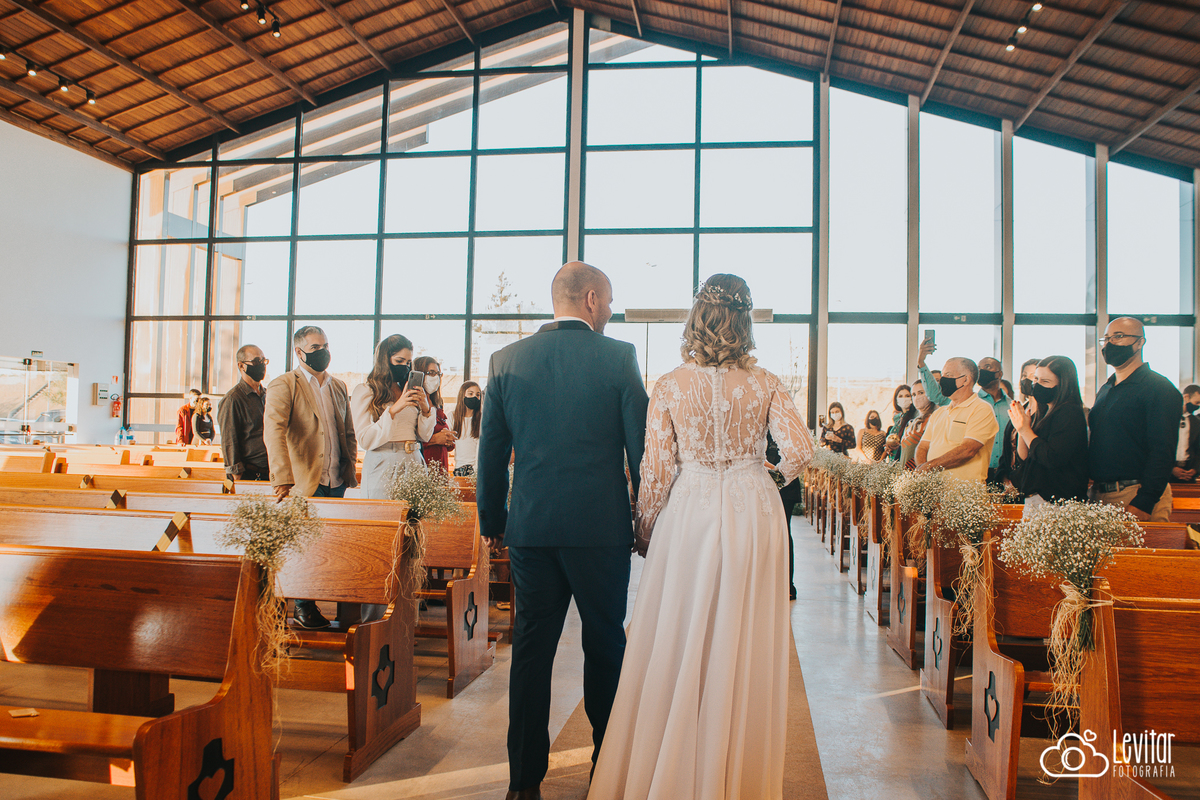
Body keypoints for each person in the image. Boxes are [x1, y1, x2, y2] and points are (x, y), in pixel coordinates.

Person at [589, 274, 813, 800]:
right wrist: (764, 477)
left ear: (698, 319)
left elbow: (657, 470)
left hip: (689, 510)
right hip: (752, 511)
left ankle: (675, 762)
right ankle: (735, 770)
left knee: (680, 629)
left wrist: (645, 530)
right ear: (744, 321)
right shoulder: (767, 384)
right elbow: (801, 451)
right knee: (743, 632)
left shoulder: (669, 385)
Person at [477, 261, 649, 800]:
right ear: (592, 299)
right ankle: (607, 767)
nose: (611, 311)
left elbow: (490, 455)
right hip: (600, 530)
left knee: (531, 651)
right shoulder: (619, 358)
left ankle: (522, 783)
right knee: (605, 647)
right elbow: (641, 451)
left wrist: (493, 522)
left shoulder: (506, 361)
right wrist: (646, 520)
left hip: (531, 530)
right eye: (611, 301)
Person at [264, 325, 359, 630]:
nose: (323, 352)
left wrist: (350, 467)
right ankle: (304, 606)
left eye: (325, 345)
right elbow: (274, 431)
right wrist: (282, 476)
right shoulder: (284, 384)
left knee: (329, 545)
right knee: (304, 546)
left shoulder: (337, 386)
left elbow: (347, 429)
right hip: (305, 480)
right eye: (316, 347)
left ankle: (321, 599)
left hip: (335, 478)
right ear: (299, 351)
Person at [1088, 318, 1182, 522]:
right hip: (1100, 494)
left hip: (1134, 494)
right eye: (1106, 338)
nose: (1110, 343)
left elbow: (1162, 451)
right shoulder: (1106, 388)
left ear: (1140, 342)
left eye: (1119, 336)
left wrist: (1145, 501)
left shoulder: (1159, 388)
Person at [350, 335, 435, 500]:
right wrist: (394, 409)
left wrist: (425, 409)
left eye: (408, 363)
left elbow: (424, 436)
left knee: (414, 520)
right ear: (385, 360)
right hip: (383, 463)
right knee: (383, 519)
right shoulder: (367, 391)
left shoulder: (407, 389)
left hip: (413, 460)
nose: (404, 366)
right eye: (399, 361)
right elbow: (365, 440)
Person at [1007, 356, 1089, 515]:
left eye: (1045, 382)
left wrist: (1025, 430)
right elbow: (1025, 457)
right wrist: (1022, 425)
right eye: (1035, 379)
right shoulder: (1044, 412)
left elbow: (1051, 457)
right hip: (1037, 499)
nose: (1036, 385)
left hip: (1058, 502)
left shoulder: (1069, 412)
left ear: (1062, 385)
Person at [921, 347, 1010, 484]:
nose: (944, 380)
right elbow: (923, 447)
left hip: (964, 495)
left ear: (966, 380)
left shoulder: (981, 409)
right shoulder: (939, 413)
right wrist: (922, 474)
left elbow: (968, 450)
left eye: (949, 375)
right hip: (935, 491)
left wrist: (929, 466)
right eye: (943, 376)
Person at [218, 344, 271, 481]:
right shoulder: (233, 399)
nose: (261, 365)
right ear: (241, 366)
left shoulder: (267, 395)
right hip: (250, 474)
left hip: (270, 472)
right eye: (256, 362)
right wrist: (236, 475)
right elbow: (229, 440)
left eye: (263, 361)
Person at [414, 355, 457, 472]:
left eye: (438, 374)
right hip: (423, 466)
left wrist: (448, 438)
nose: (436, 378)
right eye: (431, 373)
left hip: (441, 468)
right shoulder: (412, 402)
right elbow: (409, 438)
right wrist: (434, 439)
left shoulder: (437, 403)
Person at [897, 381, 933, 470]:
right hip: (904, 475)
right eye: (913, 394)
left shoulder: (933, 420)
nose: (916, 397)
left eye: (921, 393)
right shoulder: (911, 423)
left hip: (918, 474)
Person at [451, 381, 483, 476]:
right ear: (462, 395)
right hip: (459, 467)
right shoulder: (452, 417)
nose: (474, 397)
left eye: (478, 395)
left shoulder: (482, 418)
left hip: (476, 468)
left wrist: (476, 469)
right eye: (470, 393)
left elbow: (480, 446)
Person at [884, 385, 915, 462]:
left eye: (907, 396)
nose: (904, 399)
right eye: (900, 396)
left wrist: (898, 446)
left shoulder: (914, 418)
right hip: (893, 459)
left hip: (905, 460)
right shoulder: (898, 418)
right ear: (896, 400)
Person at [1174, 398, 1200, 483]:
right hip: (1168, 471)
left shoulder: (1196, 422)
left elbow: (1198, 448)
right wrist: (1171, 468)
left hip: (1189, 469)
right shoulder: (1165, 421)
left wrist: (1195, 469)